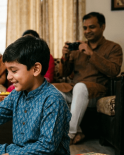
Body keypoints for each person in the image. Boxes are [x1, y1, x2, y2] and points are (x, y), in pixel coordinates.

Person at [53, 12, 123, 144]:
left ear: (103, 27)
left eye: (92, 27)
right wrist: (65, 57)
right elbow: (64, 73)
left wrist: (91, 53)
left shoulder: (114, 48)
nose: (87, 31)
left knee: (80, 87)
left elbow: (114, 71)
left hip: (98, 92)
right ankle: (78, 132)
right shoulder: (78, 48)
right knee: (51, 90)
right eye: (85, 28)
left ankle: (69, 135)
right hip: (75, 91)